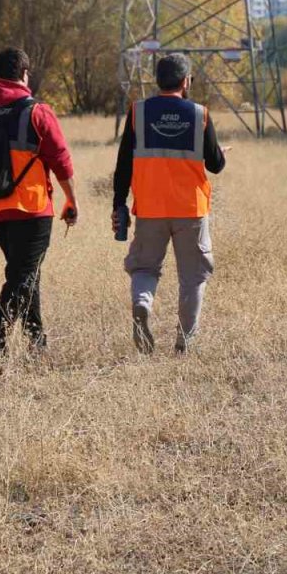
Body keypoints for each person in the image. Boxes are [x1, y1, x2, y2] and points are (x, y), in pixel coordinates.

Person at [0, 48, 79, 356]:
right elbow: (61, 160)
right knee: (22, 275)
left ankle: (38, 344)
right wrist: (72, 199)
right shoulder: (37, 111)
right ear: (25, 75)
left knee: (25, 272)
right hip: (32, 208)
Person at [112, 53, 228, 355]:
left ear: (158, 80)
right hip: (191, 210)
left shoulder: (137, 113)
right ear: (186, 81)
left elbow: (123, 164)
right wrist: (219, 151)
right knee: (193, 276)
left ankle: (142, 304)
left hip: (150, 208)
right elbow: (215, 165)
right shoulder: (200, 114)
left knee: (144, 267)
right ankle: (183, 344)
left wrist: (118, 203)